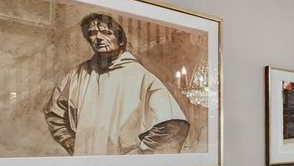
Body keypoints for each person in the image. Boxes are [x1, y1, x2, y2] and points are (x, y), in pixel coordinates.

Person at [44, 13, 190, 156]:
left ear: (120, 40)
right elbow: (54, 113)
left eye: (106, 32)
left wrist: (139, 155)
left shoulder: (141, 76)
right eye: (92, 33)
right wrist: (69, 141)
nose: (98, 37)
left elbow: (173, 125)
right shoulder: (77, 75)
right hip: (85, 162)